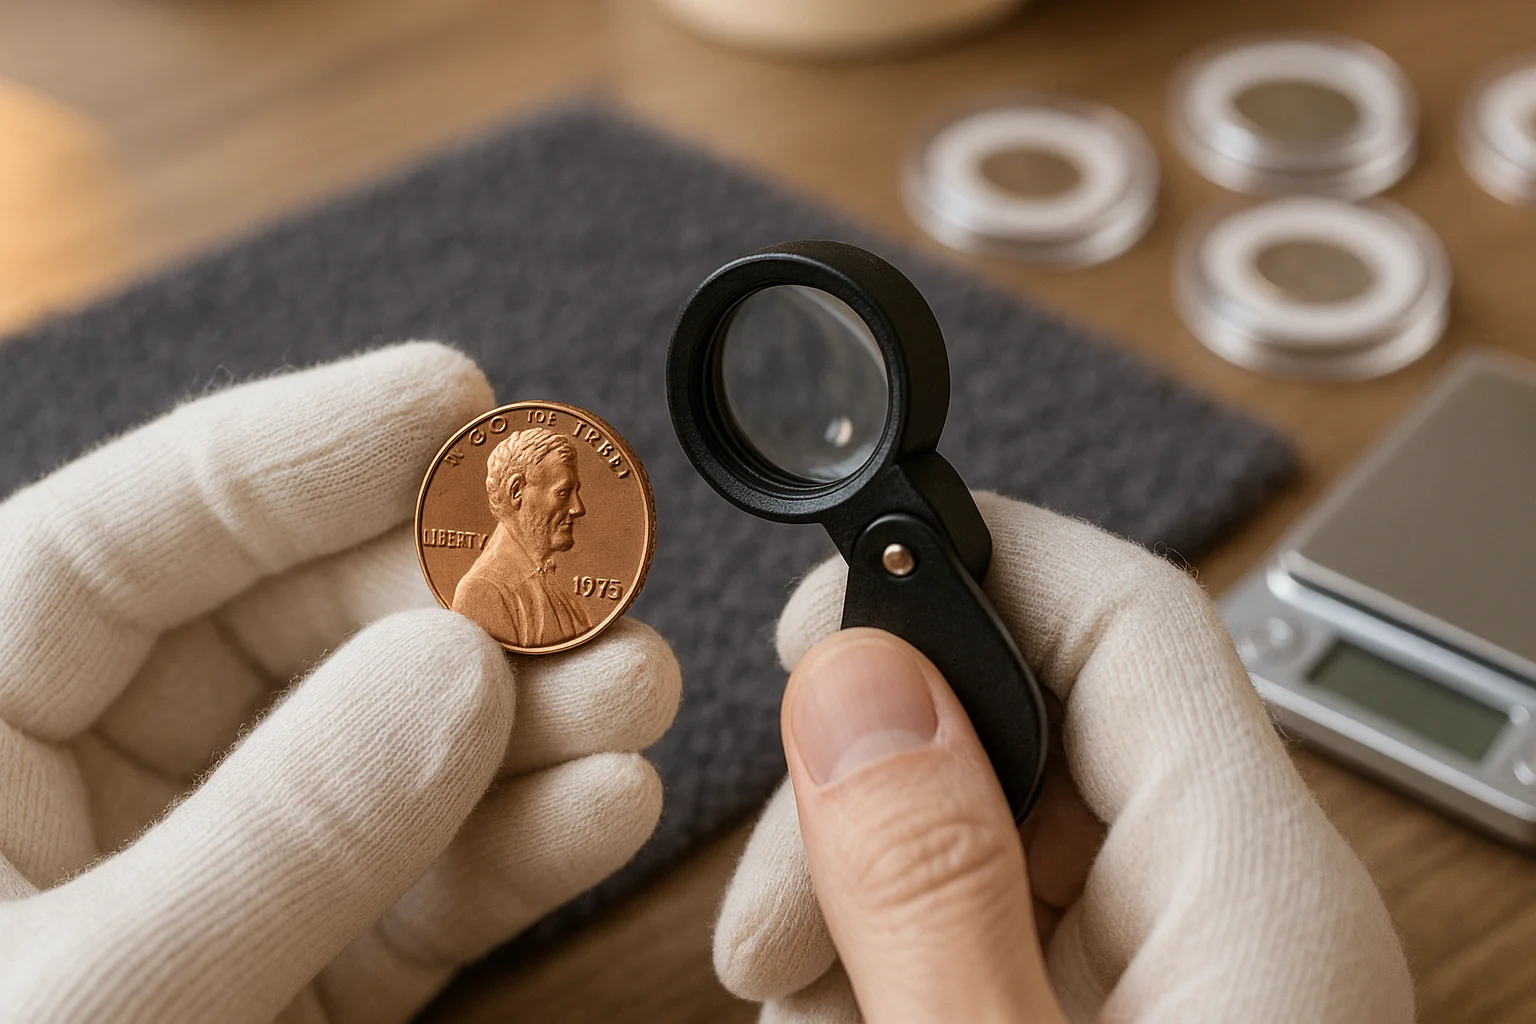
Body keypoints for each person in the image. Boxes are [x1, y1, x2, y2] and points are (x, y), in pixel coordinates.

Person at [0, 344, 1412, 1022]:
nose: (572, 508)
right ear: (515, 500)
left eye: (569, 493)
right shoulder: (468, 620)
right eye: (554, 494)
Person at [452, 427, 593, 648]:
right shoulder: (481, 591)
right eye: (563, 492)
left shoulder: (549, 583)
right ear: (516, 491)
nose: (578, 508)